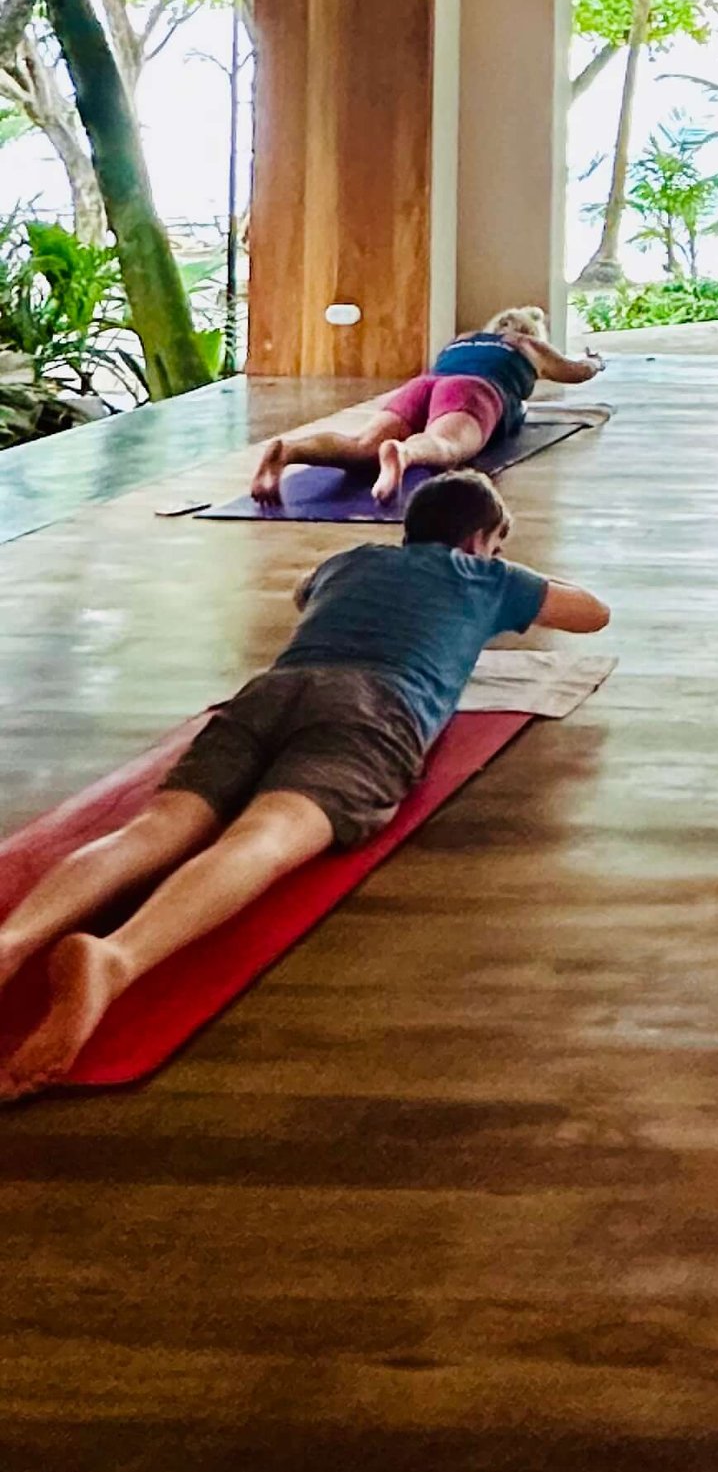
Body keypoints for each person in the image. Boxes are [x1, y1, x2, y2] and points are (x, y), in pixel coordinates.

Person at [0, 472, 609, 1101]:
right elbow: (592, 613)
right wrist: (500, 569)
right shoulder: (488, 577)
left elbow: (302, 593)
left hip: (274, 689)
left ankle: (12, 940)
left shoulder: (349, 562)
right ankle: (118, 957)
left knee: (157, 826)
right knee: (266, 835)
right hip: (376, 707)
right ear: (482, 539)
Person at [249, 306, 605, 507]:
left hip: (424, 384)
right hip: (473, 390)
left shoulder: (463, 339)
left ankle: (289, 450)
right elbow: (576, 373)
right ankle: (403, 456)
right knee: (445, 445)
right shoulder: (528, 345)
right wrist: (596, 363)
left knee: (361, 444)